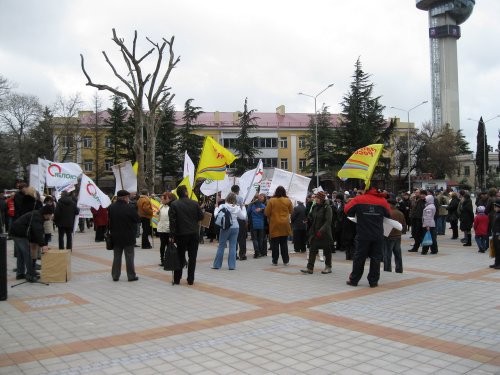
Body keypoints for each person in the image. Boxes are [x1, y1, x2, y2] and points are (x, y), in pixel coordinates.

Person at [345, 186, 391, 288]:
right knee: (376, 258)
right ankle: (373, 282)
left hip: (363, 234)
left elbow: (347, 210)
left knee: (359, 258)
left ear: (365, 189)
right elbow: (388, 214)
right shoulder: (382, 201)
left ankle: (354, 280)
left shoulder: (358, 199)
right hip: (378, 235)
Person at [9, 189, 50, 282]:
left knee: (21, 254)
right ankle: (30, 275)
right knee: (27, 254)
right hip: (19, 233)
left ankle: (20, 274)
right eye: (50, 215)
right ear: (46, 214)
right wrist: (43, 245)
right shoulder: (37, 216)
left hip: (16, 231)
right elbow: (38, 231)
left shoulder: (37, 214)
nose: (50, 217)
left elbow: (36, 231)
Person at [169, 185, 204, 285]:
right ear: (186, 193)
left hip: (181, 234)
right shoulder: (194, 203)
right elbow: (201, 216)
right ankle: (190, 279)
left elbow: (172, 221)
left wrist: (171, 235)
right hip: (193, 233)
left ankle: (177, 278)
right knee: (192, 257)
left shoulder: (174, 204)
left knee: (180, 256)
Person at [108, 190, 140, 282]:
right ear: (125, 197)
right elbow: (137, 220)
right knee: (129, 256)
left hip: (115, 236)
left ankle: (115, 275)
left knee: (117, 256)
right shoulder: (129, 208)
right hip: (128, 236)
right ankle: (131, 275)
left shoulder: (111, 207)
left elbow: (109, 220)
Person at [300, 191, 333, 274]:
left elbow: (328, 221)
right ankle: (310, 268)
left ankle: (328, 267)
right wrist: (307, 219)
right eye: (315, 198)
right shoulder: (315, 206)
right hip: (315, 232)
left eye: (317, 198)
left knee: (327, 251)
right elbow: (311, 216)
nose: (316, 199)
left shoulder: (327, 207)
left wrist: (321, 231)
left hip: (324, 233)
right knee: (312, 249)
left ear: (321, 199)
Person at [212, 192, 247, 270]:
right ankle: (232, 266)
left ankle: (217, 265)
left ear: (227, 198)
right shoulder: (237, 207)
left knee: (221, 245)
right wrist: (243, 207)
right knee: (233, 246)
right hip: (235, 227)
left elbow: (216, 215)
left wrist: (216, 208)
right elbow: (243, 217)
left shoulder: (222, 206)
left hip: (225, 227)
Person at [264, 186, 293, 266]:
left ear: (276, 192)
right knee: (284, 243)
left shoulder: (271, 200)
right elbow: (291, 211)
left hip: (274, 224)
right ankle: (286, 260)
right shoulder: (287, 200)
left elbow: (266, 212)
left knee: (275, 244)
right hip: (285, 224)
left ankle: (275, 260)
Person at [384, 198, 406, 272]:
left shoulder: (388, 213)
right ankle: (399, 269)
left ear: (389, 204)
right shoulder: (400, 213)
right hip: (397, 236)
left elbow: (386, 226)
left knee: (387, 255)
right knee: (398, 254)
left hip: (389, 236)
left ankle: (387, 270)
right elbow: (404, 225)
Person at [157, 192, 175, 267]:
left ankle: (170, 260)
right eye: (161, 199)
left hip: (168, 229)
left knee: (169, 245)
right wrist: (157, 213)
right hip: (161, 228)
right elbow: (159, 217)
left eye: (163, 199)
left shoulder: (171, 207)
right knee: (162, 245)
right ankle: (162, 260)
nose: (162, 200)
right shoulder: (161, 206)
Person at [231, 185, 248, 261]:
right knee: (242, 238)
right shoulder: (240, 198)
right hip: (240, 219)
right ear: (238, 191)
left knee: (233, 238)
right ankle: (242, 254)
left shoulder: (228, 198)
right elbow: (242, 209)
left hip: (232, 219)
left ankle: (233, 254)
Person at [247, 194, 267, 258]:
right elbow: (265, 215)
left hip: (253, 224)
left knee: (255, 239)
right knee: (260, 239)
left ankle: (257, 253)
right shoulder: (263, 206)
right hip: (261, 224)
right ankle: (260, 252)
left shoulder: (251, 205)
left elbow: (247, 213)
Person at [489, 199, 500, 269]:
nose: (494, 208)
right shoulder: (496, 213)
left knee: (499, 249)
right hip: (495, 233)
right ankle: (496, 263)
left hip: (499, 234)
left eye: (496, 207)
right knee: (496, 249)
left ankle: (499, 264)